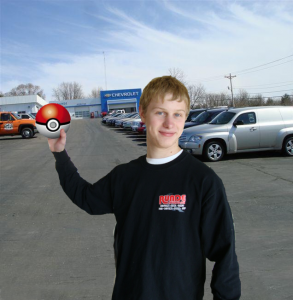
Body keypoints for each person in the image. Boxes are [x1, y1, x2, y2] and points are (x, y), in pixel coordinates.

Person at [48, 76, 241, 300]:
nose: (169, 123)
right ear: (142, 113)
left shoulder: (203, 181)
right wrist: (59, 154)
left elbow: (225, 254)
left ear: (185, 117)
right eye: (160, 112)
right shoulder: (125, 177)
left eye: (177, 114)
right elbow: (86, 198)